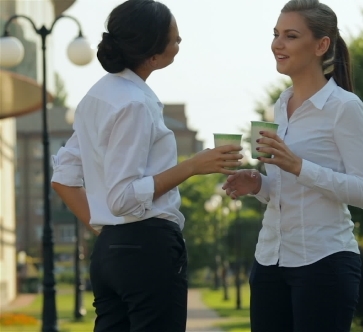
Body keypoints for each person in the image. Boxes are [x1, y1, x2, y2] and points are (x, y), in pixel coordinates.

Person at [51, 1, 242, 331]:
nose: (180, 42)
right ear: (153, 52)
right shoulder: (136, 103)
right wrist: (195, 165)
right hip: (147, 249)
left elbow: (63, 179)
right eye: (175, 39)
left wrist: (106, 229)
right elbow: (123, 197)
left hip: (110, 253)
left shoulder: (94, 98)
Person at [222, 0, 363, 331]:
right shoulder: (280, 105)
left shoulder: (345, 108)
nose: (278, 44)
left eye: (291, 36)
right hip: (269, 259)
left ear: (322, 45)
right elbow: (286, 191)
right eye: (276, 34)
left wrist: (298, 166)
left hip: (325, 262)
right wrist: (259, 186)